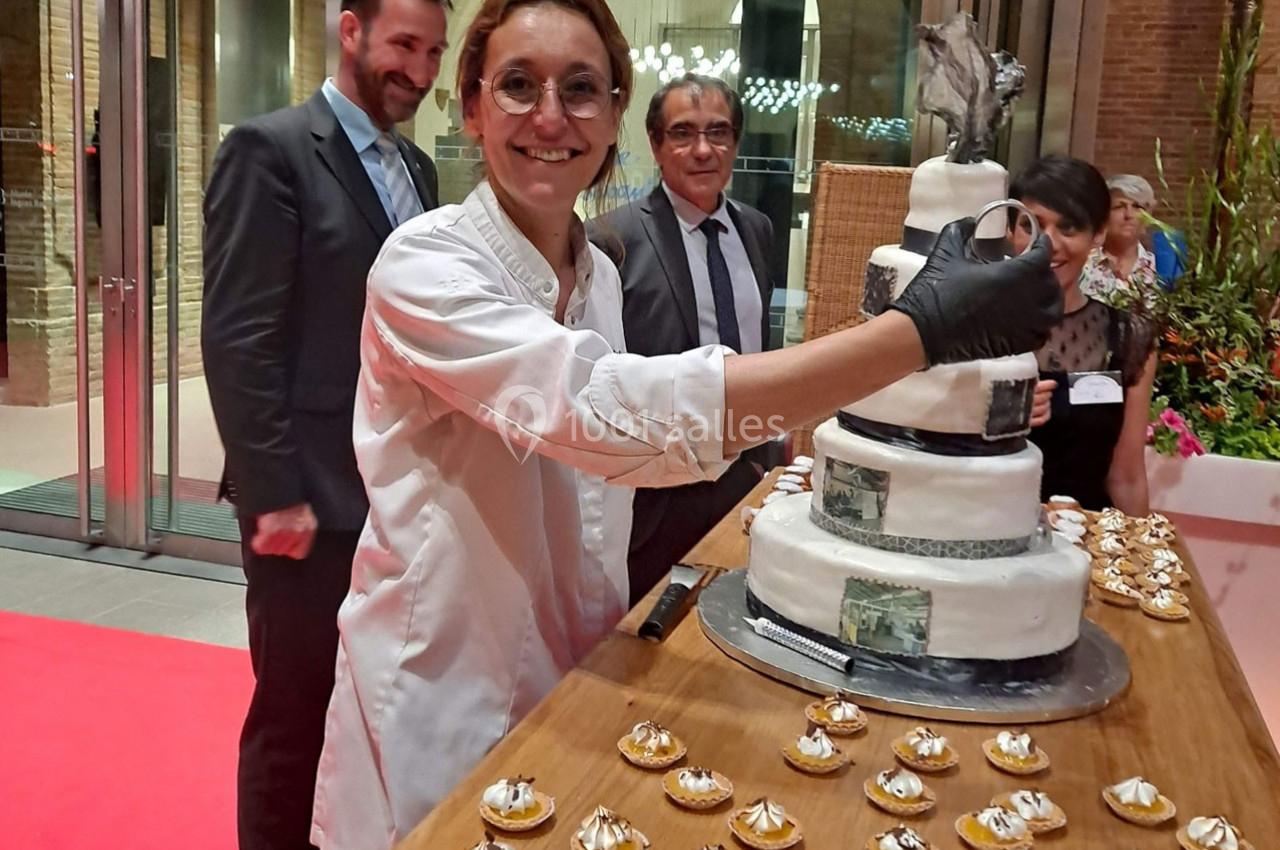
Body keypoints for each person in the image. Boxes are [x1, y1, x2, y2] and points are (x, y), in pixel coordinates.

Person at [308, 1, 1061, 846]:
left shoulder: (594, 273)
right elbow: (606, 415)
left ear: (614, 114)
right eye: (518, 85)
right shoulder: (426, 264)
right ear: (474, 108)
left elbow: (634, 466)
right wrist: (915, 334)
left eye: (582, 88)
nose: (551, 116)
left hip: (576, 675)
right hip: (438, 689)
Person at [200, 0, 447, 847]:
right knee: (294, 715)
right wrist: (273, 494)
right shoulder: (270, 151)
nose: (419, 70)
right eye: (404, 45)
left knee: (371, 704)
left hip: (395, 495)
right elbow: (239, 337)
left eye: (434, 51)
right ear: (351, 31)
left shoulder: (418, 167)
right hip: (305, 503)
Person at [587, 73, 776, 605]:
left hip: (743, 477)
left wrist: (759, 459)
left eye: (718, 132)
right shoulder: (611, 239)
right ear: (655, 143)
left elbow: (757, 345)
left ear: (735, 142)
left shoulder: (757, 230)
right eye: (682, 133)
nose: (702, 150)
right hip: (655, 501)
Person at [1010, 156, 1156, 514]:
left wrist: (1138, 557)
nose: (1048, 244)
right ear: (1010, 229)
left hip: (1083, 546)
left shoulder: (1128, 338)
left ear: (1098, 235)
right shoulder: (970, 327)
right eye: (1032, 225)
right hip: (987, 539)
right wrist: (993, 417)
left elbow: (1126, 476)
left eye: (1069, 228)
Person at [1078, 173, 1160, 305]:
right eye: (1119, 207)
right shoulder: (1081, 264)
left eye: (1137, 207)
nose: (1129, 215)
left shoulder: (1159, 267)